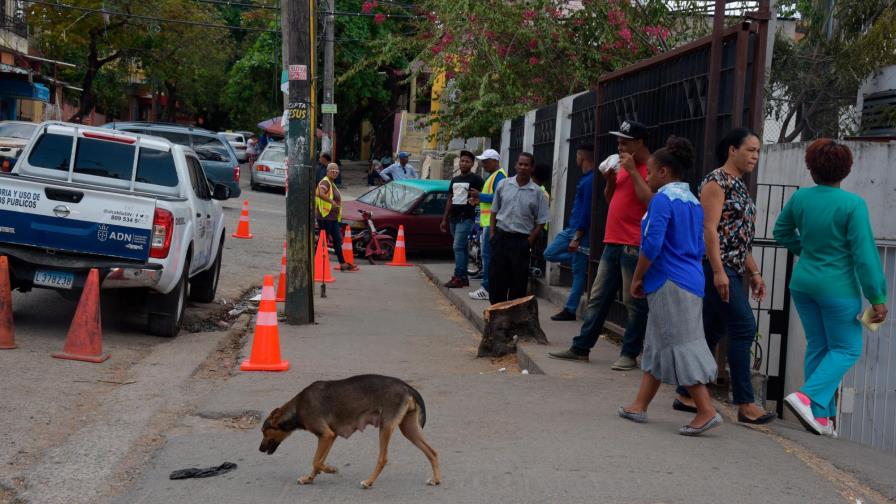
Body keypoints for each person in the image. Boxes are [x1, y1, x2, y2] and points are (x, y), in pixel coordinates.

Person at [774, 139, 887, 436]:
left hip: (803, 283)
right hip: (837, 287)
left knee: (819, 346)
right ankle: (806, 397)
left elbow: (781, 231)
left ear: (811, 169)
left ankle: (821, 419)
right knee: (847, 348)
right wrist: (877, 297)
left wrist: (806, 250)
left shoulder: (800, 200)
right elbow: (864, 256)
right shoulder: (853, 205)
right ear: (846, 170)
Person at [617, 136, 722, 436]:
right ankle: (639, 404)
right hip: (691, 280)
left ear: (663, 171)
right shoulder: (692, 201)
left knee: (678, 342)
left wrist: (637, 277)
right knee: (658, 342)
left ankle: (705, 409)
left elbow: (651, 244)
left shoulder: (662, 199)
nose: (646, 177)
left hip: (668, 280)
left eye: (649, 172)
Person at [673, 128, 775, 424]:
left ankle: (685, 392)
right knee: (744, 328)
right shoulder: (716, 182)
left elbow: (739, 237)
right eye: (750, 150)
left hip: (732, 267)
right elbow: (709, 230)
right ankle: (745, 402)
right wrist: (719, 271)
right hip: (716, 268)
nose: (755, 155)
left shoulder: (739, 185)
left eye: (758, 151)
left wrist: (753, 271)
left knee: (710, 332)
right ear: (732, 150)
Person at [549, 120, 652, 371]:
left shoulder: (649, 168)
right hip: (613, 240)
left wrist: (634, 172)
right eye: (618, 141)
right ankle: (581, 347)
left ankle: (629, 353)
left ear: (639, 143)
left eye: (624, 142)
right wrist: (610, 180)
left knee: (633, 302)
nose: (619, 146)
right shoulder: (624, 166)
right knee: (597, 297)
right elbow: (610, 199)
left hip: (634, 243)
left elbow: (651, 203)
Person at [488, 152, 550, 305]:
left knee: (518, 282)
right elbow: (494, 211)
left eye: (526, 165)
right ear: (516, 165)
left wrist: (529, 240)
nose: (522, 167)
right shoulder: (503, 185)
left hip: (521, 242)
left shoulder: (537, 193)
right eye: (520, 164)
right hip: (501, 238)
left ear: (532, 168)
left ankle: (512, 317)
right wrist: (492, 234)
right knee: (497, 280)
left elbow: (542, 221)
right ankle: (496, 315)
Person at [543, 144, 595, 321]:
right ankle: (570, 309)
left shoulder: (589, 180)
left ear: (581, 157)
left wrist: (577, 236)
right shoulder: (588, 178)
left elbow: (586, 211)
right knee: (579, 270)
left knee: (550, 253)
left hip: (577, 229)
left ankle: (570, 309)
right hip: (577, 228)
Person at [441, 150, 485, 288]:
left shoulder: (476, 179)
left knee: (458, 247)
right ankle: (464, 277)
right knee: (462, 248)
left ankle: (458, 277)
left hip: (466, 218)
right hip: (453, 218)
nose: (464, 163)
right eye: (462, 161)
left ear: (472, 164)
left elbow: (485, 195)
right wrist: (444, 219)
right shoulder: (455, 180)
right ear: (459, 162)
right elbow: (450, 199)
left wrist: (477, 200)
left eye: (467, 161)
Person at [468, 149, 506, 301]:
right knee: (487, 256)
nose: (483, 165)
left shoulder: (499, 177)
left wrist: (479, 195)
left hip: (493, 224)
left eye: (486, 161)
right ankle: (487, 286)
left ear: (495, 161)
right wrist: (479, 200)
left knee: (488, 256)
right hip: (488, 223)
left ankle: (487, 288)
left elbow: (499, 198)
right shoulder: (492, 176)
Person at [316, 163, 359, 272]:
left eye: (336, 171)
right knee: (323, 241)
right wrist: (332, 202)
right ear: (328, 171)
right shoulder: (325, 181)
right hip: (325, 217)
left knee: (337, 240)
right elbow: (320, 193)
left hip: (332, 218)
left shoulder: (332, 183)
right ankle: (316, 262)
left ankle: (343, 263)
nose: (335, 172)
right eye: (332, 170)